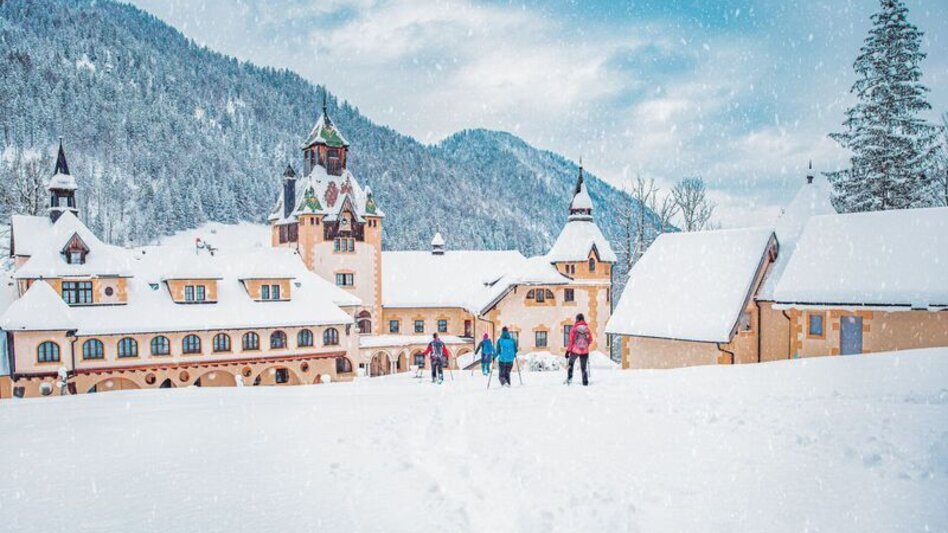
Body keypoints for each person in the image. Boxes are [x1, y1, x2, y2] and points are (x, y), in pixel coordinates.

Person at [566, 313, 592, 386]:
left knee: (571, 364)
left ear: (577, 319)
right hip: (585, 351)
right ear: (583, 319)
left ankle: (569, 379)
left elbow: (571, 341)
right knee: (583, 367)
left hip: (575, 350)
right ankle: (585, 382)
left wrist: (568, 351)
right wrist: (585, 345)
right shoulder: (587, 329)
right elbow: (590, 340)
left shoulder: (574, 328)